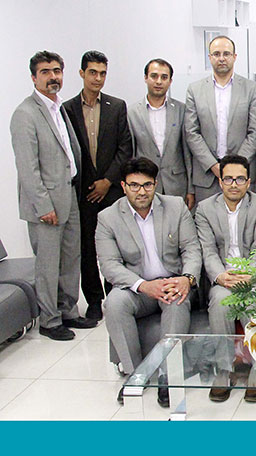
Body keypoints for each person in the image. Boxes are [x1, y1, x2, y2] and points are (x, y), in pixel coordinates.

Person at [96, 158, 201, 407]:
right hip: (137, 288)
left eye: (147, 185)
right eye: (134, 185)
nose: (141, 191)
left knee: (176, 301)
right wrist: (143, 285)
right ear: (123, 186)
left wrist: (186, 279)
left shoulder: (175, 206)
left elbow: (191, 249)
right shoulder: (108, 217)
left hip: (173, 282)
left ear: (155, 184)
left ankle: (167, 376)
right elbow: (109, 265)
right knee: (114, 303)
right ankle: (136, 374)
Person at [11, 51, 96, 340]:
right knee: (48, 265)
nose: (53, 77)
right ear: (33, 77)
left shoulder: (59, 108)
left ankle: (68, 311)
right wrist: (43, 205)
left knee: (70, 259)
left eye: (57, 71)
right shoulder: (25, 114)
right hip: (46, 203)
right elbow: (28, 168)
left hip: (69, 195)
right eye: (46, 72)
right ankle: (49, 320)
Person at [194, 155, 256, 404]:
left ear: (248, 182)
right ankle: (225, 369)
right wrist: (221, 276)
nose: (234, 184)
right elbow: (207, 250)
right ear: (220, 181)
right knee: (220, 301)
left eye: (240, 179)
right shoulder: (205, 208)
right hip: (223, 278)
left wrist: (250, 275)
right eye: (228, 179)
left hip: (252, 276)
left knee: (253, 300)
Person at [63, 50, 133, 321]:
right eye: (93, 72)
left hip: (111, 190)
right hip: (83, 191)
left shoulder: (117, 107)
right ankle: (93, 300)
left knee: (117, 245)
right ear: (82, 73)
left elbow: (125, 147)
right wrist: (91, 184)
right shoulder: (67, 109)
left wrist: (107, 181)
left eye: (103, 73)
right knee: (87, 247)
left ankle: (115, 294)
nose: (98, 78)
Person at [185, 35, 256, 202]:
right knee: (207, 217)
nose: (221, 58)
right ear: (209, 57)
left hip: (242, 175)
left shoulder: (251, 88)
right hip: (206, 174)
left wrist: (235, 168)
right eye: (216, 54)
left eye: (226, 54)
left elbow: (255, 132)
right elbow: (191, 132)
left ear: (234, 57)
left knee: (244, 217)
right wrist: (213, 165)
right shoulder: (194, 90)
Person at [128, 58, 194, 209]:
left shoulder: (181, 110)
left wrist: (191, 189)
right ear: (145, 78)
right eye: (154, 76)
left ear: (170, 81)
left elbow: (187, 153)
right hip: (145, 184)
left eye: (164, 77)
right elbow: (131, 154)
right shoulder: (132, 113)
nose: (159, 81)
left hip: (176, 184)